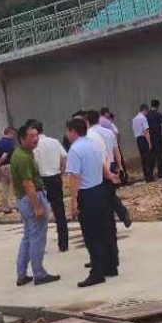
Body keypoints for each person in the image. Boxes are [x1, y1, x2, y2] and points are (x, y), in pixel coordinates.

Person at [65, 117, 114, 287]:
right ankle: (109, 266)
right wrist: (109, 176)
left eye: (68, 131)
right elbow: (102, 165)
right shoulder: (94, 145)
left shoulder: (75, 150)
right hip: (99, 190)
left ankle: (97, 272)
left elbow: (74, 177)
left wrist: (73, 202)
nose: (67, 135)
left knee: (91, 235)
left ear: (73, 131)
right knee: (103, 231)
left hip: (86, 194)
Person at [12, 123, 60, 286]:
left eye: (36, 135)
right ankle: (39, 273)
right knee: (37, 238)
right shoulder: (23, 158)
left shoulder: (21, 154)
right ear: (22, 139)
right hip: (32, 198)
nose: (36, 139)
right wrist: (37, 206)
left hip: (24, 199)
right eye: (32, 136)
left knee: (28, 237)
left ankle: (21, 274)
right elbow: (28, 184)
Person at [31, 119, 69, 252]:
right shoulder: (54, 142)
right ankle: (63, 243)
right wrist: (62, 172)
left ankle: (40, 244)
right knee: (60, 211)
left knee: (40, 212)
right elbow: (64, 157)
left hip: (41, 180)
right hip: (55, 177)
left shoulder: (34, 146)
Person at [0, 127, 17, 214]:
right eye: (13, 134)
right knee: (16, 186)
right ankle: (19, 205)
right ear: (9, 133)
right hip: (9, 165)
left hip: (1, 168)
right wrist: (0, 163)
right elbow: (4, 155)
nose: (13, 136)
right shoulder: (8, 143)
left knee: (5, 188)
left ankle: (6, 207)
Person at [132, 104, 154, 183]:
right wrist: (149, 142)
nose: (147, 113)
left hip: (138, 139)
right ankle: (149, 177)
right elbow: (146, 131)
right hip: (144, 139)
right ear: (145, 110)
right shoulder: (143, 118)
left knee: (143, 158)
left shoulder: (134, 119)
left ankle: (146, 176)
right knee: (148, 158)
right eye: (147, 111)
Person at [146, 100, 162, 179]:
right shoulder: (158, 114)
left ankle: (150, 174)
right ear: (158, 106)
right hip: (158, 137)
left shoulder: (147, 115)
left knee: (152, 156)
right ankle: (160, 173)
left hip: (150, 137)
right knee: (159, 156)